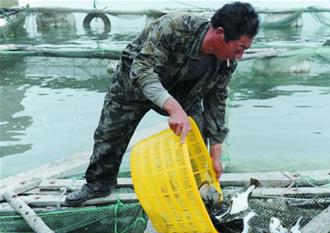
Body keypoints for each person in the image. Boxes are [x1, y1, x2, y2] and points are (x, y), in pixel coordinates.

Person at [65, 2, 260, 206]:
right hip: (133, 84)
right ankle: (99, 185)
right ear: (220, 33)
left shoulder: (226, 62)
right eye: (239, 48)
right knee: (110, 134)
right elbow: (142, 70)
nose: (240, 56)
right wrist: (173, 108)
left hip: (183, 93)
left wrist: (216, 153)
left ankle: (195, 186)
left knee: (197, 134)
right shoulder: (174, 27)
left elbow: (217, 101)